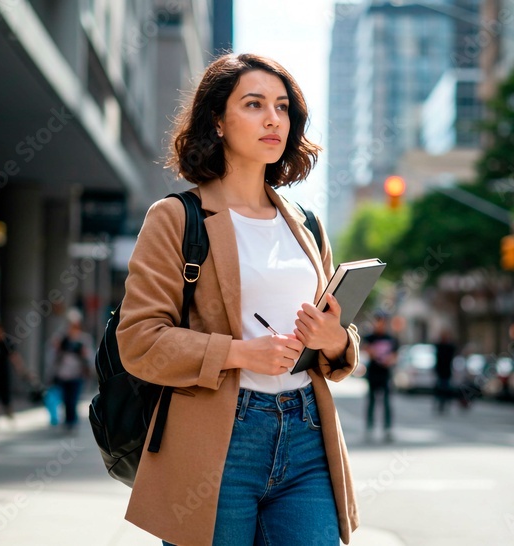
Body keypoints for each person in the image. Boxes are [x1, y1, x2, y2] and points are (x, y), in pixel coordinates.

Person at [115, 53, 361, 546]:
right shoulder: (175, 218)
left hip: (308, 433)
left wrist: (336, 340)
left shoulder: (306, 225)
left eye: (283, 107)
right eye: (253, 104)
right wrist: (239, 352)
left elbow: (336, 343)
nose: (274, 118)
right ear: (218, 121)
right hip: (218, 439)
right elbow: (139, 340)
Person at [47, 308, 92, 431]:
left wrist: (84, 354)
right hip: (62, 374)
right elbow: (52, 355)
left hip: (77, 375)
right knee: (66, 400)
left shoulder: (83, 339)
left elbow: (90, 357)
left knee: (73, 399)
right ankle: (68, 421)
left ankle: (72, 421)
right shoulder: (61, 338)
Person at [0, 320, 30, 430]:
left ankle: (10, 417)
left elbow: (14, 356)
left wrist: (21, 370)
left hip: (3, 374)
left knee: (6, 397)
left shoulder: (6, 341)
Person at [361, 312, 399, 442]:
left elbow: (395, 356)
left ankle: (387, 429)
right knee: (371, 402)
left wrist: (390, 360)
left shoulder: (391, 338)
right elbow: (365, 350)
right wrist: (372, 352)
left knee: (387, 403)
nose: (379, 324)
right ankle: (369, 428)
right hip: (373, 374)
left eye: (382, 321)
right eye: (377, 321)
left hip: (386, 375)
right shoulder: (370, 337)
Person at [434, 329, 458, 415]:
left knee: (446, 388)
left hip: (447, 371)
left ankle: (444, 404)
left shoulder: (450, 346)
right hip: (440, 371)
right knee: (440, 388)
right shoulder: (439, 346)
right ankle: (440, 404)